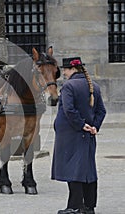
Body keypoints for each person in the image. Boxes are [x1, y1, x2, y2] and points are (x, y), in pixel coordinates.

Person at [51, 57, 106, 214]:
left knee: (73, 169)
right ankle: (89, 206)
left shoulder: (69, 86)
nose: (64, 74)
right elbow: (102, 111)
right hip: (88, 134)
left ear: (72, 69)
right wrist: (94, 126)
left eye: (65, 71)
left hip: (72, 134)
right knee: (87, 169)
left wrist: (81, 125)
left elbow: (69, 109)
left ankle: (75, 206)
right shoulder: (94, 86)